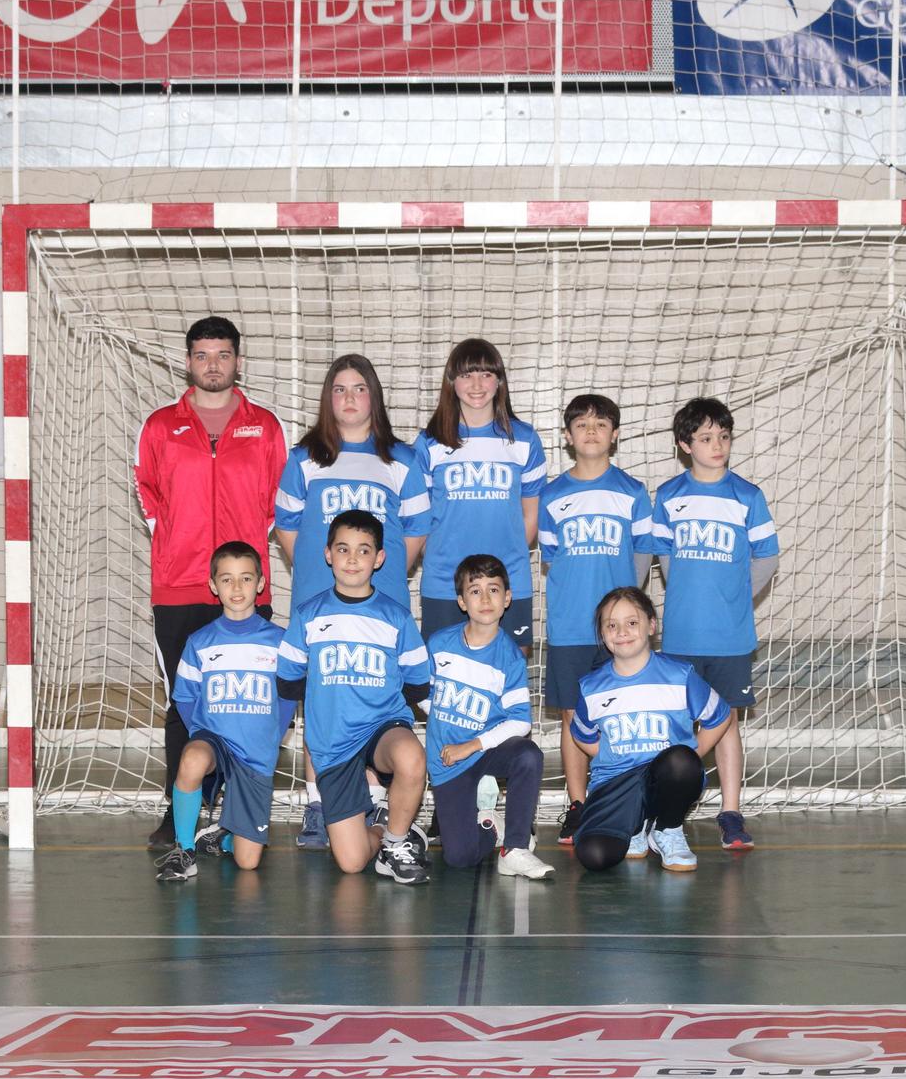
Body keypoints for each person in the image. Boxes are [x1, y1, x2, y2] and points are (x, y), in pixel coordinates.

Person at [133, 316, 286, 858]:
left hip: (245, 591)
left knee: (247, 700)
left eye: (223, 355)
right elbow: (147, 490)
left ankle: (237, 809)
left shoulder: (264, 426)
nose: (213, 365)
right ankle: (182, 811)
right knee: (185, 704)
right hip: (178, 584)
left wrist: (243, 559)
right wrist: (173, 538)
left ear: (237, 361)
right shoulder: (158, 426)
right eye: (203, 355)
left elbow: (277, 498)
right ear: (189, 361)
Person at [273, 354, 430, 850]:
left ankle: (379, 796)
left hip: (379, 602)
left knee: (375, 696)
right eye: (339, 389)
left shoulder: (401, 460)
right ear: (328, 398)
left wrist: (380, 571)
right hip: (320, 600)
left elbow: (418, 529)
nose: (348, 398)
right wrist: (319, 574)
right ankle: (318, 804)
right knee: (321, 703)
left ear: (373, 396)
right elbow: (287, 527)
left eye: (359, 389)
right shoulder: (304, 458)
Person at [638, 396, 779, 851]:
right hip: (681, 633)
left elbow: (767, 558)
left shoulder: (747, 496)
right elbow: (660, 558)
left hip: (730, 635)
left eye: (723, 436)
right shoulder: (670, 496)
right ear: (684, 445)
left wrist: (735, 597)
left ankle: (731, 812)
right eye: (705, 438)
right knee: (677, 723)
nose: (716, 445)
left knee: (728, 721)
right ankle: (666, 812)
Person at [277, 510, 434, 885]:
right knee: (351, 863)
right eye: (343, 549)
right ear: (328, 553)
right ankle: (382, 828)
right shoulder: (308, 615)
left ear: (379, 558)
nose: (352, 559)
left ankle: (396, 843)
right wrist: (326, 706)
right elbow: (287, 680)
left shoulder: (395, 617)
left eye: (363, 551)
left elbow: (417, 685)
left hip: (381, 729)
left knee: (412, 757)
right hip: (334, 746)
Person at [536, 393, 652, 848]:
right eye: (581, 424)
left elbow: (641, 558)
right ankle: (579, 802)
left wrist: (623, 610)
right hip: (569, 626)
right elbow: (550, 556)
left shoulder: (632, 492)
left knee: (624, 712)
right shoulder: (553, 494)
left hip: (618, 629)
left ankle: (624, 800)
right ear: (567, 437)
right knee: (573, 715)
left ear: (615, 435)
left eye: (601, 424)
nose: (590, 431)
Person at [155, 542, 296, 884]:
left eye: (246, 579)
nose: (237, 588)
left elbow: (288, 697)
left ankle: (223, 835)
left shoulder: (279, 642)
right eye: (227, 579)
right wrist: (200, 736)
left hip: (254, 754)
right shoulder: (200, 642)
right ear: (213, 585)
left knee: (247, 863)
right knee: (191, 759)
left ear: (261, 584)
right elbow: (185, 698)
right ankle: (184, 849)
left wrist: (270, 740)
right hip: (214, 742)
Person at [568, 587, 732, 873]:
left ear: (651, 625)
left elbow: (720, 715)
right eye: (611, 625)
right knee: (594, 856)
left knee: (681, 762)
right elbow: (582, 736)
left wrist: (694, 754)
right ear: (603, 635)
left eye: (632, 622)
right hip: (616, 783)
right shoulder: (591, 687)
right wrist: (610, 755)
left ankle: (666, 828)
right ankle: (636, 825)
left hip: (664, 776)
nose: (622, 631)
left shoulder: (680, 676)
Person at [424, 555, 554, 879]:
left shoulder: (510, 656)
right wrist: (445, 723)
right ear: (461, 601)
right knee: (460, 857)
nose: (485, 599)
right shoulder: (440, 644)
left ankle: (515, 848)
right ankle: (493, 828)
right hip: (448, 759)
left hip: (485, 750)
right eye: (475, 590)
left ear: (507, 599)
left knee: (528, 755)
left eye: (494, 590)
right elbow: (421, 696)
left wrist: (473, 744)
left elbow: (521, 721)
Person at [413, 339, 547, 647]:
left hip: (508, 579)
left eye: (486, 374)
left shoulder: (524, 440)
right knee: (444, 673)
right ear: (452, 382)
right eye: (466, 375)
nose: (476, 384)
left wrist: (500, 563)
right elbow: (419, 519)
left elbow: (530, 516)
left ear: (499, 381)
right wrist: (441, 555)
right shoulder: (430, 443)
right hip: (445, 582)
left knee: (507, 671)